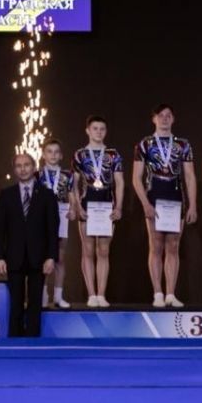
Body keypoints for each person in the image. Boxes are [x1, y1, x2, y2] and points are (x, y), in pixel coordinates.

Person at [131, 104, 197, 307]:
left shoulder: (183, 144)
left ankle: (170, 294)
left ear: (173, 119)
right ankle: (157, 294)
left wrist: (193, 205)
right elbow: (136, 177)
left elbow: (190, 176)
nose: (165, 119)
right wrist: (145, 203)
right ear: (154, 119)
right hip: (154, 197)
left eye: (169, 115)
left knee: (173, 246)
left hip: (176, 198)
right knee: (156, 245)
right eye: (161, 115)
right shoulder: (144, 144)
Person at [0, 153, 59, 337]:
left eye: (27, 165)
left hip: (39, 258)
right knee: (15, 303)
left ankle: (32, 342)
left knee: (35, 303)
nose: (23, 169)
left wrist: (51, 257)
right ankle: (15, 342)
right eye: (19, 166)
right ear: (14, 170)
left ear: (34, 167)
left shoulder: (47, 195)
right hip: (14, 257)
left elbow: (52, 229)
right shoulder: (6, 195)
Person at [71, 115, 123, 307]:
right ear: (88, 131)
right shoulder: (80, 155)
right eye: (95, 128)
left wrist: (119, 207)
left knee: (103, 250)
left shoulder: (113, 154)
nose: (99, 132)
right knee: (87, 250)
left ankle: (101, 294)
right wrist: (77, 206)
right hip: (87, 204)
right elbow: (73, 184)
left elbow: (120, 182)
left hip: (107, 205)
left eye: (102, 129)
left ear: (106, 131)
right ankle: (91, 295)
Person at [37, 138, 72, 308]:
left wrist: (74, 209)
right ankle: (43, 296)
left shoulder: (67, 175)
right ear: (43, 155)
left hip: (62, 215)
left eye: (56, 152)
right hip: (42, 219)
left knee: (60, 258)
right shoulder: (37, 175)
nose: (53, 155)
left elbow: (72, 195)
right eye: (49, 152)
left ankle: (58, 296)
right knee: (42, 258)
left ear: (61, 155)